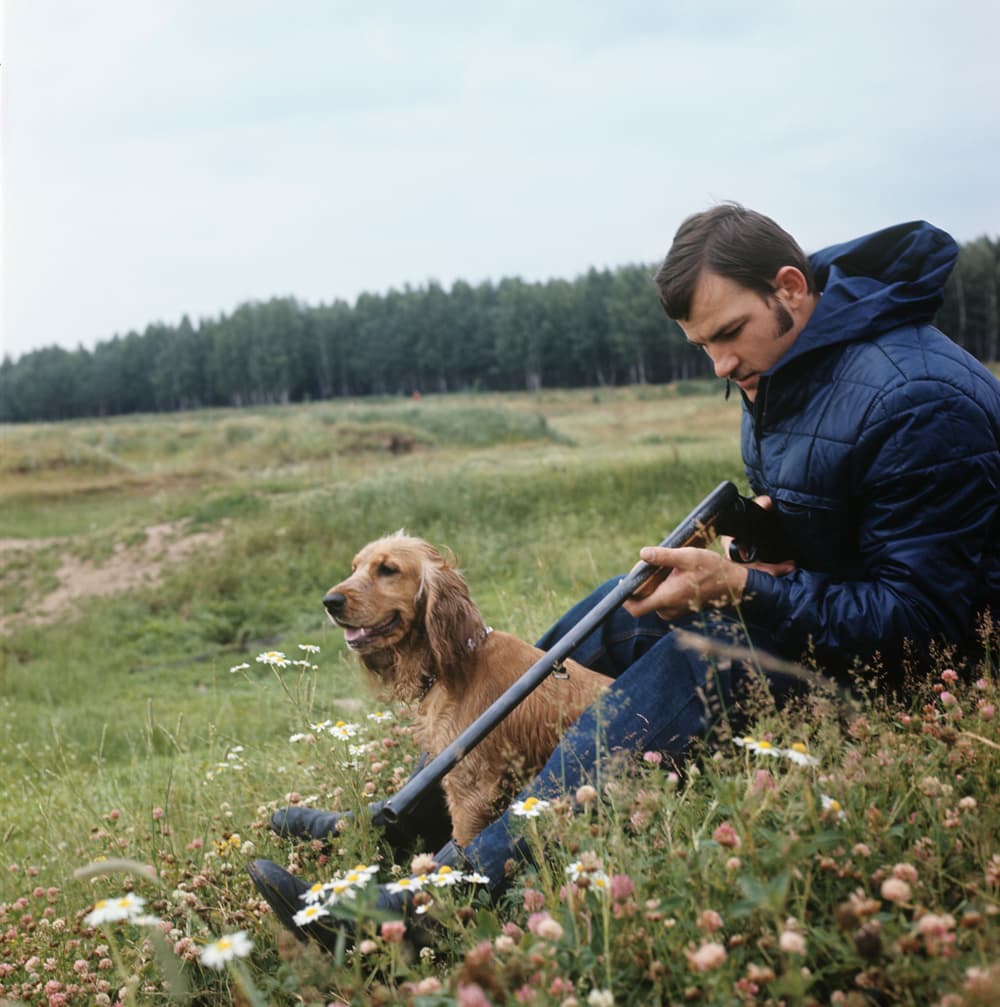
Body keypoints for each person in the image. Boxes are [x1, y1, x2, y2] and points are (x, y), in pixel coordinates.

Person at [248, 203, 1000, 948]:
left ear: (791, 287)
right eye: (703, 346)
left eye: (729, 334)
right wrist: (751, 547)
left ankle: (445, 901)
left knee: (699, 654)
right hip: (826, 607)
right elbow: (833, 521)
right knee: (620, 605)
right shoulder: (788, 361)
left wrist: (739, 588)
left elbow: (923, 620)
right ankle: (400, 819)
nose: (721, 364)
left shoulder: (916, 398)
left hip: (932, 662)